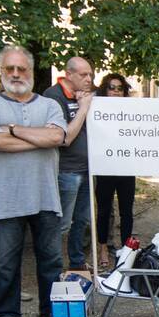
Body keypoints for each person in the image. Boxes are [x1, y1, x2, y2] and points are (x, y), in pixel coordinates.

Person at [0, 45, 68, 317]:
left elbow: (57, 136)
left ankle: (50, 308)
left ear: (30, 70)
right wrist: (39, 138)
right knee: (5, 262)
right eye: (9, 69)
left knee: (51, 258)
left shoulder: (50, 105)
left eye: (22, 69)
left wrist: (12, 130)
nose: (16, 74)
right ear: (1, 71)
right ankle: (7, 315)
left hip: (45, 195)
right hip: (7, 198)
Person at [44, 56, 94, 271]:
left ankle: (77, 262)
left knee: (81, 221)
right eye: (83, 75)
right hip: (67, 170)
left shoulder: (89, 95)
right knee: (62, 223)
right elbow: (65, 138)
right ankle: (52, 267)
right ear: (69, 74)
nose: (89, 79)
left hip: (88, 169)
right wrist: (83, 108)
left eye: (90, 74)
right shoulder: (53, 96)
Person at [93, 73, 136, 269]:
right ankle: (103, 248)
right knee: (103, 210)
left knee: (127, 211)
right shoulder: (96, 108)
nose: (116, 91)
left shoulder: (132, 111)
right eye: (111, 87)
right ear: (105, 89)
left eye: (119, 88)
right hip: (104, 166)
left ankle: (127, 250)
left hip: (126, 166)